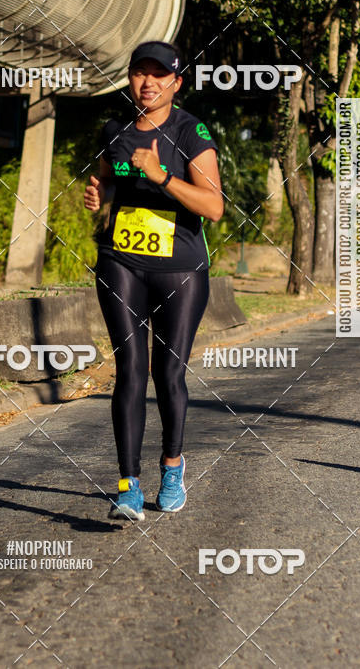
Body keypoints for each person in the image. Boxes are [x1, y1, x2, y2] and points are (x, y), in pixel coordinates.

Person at [84, 40, 223, 520]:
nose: (147, 82)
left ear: (176, 83)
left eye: (159, 75)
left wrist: (163, 176)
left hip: (180, 269)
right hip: (121, 260)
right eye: (139, 72)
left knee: (168, 374)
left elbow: (214, 207)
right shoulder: (115, 129)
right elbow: (106, 182)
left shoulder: (192, 132)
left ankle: (171, 466)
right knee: (129, 371)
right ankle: (126, 486)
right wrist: (98, 195)